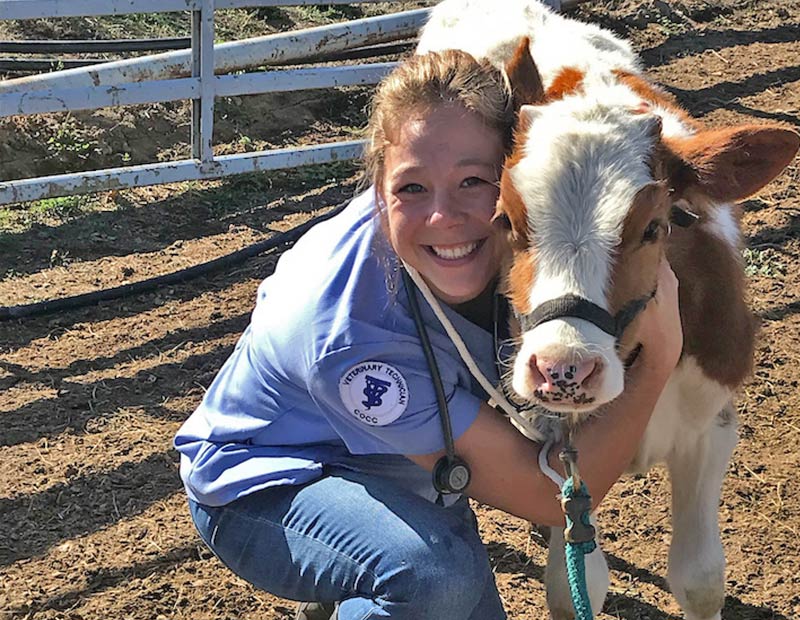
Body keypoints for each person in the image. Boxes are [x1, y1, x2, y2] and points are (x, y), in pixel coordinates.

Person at [174, 49, 683, 620]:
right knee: (437, 579)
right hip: (271, 482)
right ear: (380, 183)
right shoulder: (351, 334)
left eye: (473, 181)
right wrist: (659, 359)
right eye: (412, 189)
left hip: (406, 464)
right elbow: (544, 497)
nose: (445, 218)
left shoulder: (512, 238)